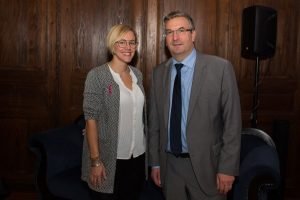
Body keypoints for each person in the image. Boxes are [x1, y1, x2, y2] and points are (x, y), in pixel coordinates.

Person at [148, 10, 242, 200]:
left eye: (181, 30)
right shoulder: (158, 73)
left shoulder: (220, 68)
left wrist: (227, 168)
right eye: (169, 32)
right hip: (170, 167)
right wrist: (155, 163)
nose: (175, 37)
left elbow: (233, 123)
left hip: (209, 166)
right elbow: (154, 124)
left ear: (193, 35)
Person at [81, 24, 147, 200]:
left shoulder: (137, 74)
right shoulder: (97, 76)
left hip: (137, 157)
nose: (128, 47)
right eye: (122, 42)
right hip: (109, 158)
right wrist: (96, 161)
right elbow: (91, 120)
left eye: (132, 42)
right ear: (112, 45)